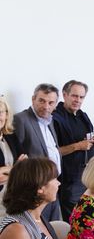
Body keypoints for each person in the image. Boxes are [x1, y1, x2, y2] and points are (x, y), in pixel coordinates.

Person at [13, 83, 62, 221]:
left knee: (53, 228)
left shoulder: (50, 120)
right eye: (42, 101)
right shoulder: (21, 119)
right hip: (36, 189)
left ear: (56, 104)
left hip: (53, 185)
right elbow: (19, 155)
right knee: (38, 230)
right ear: (33, 99)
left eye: (51, 102)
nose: (46, 106)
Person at [52, 80, 94, 221]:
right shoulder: (55, 118)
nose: (77, 100)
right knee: (74, 220)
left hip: (90, 175)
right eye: (74, 96)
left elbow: (88, 141)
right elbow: (53, 151)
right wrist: (78, 146)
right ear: (64, 94)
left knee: (90, 218)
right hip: (70, 180)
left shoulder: (82, 115)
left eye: (81, 97)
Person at [0, 97, 26, 218]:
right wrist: (16, 168)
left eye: (0, 112)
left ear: (6, 115)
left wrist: (7, 170)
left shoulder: (10, 136)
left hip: (14, 196)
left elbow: (25, 164)